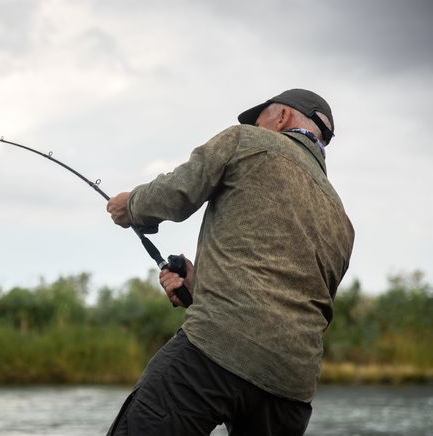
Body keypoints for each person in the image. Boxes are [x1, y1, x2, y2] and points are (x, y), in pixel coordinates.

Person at [104, 89, 355, 436]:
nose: (254, 126)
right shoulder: (341, 219)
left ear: (281, 117)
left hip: (216, 351)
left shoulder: (245, 140)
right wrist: (199, 288)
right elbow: (291, 293)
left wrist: (129, 206)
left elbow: (176, 194)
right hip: (292, 386)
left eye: (260, 118)